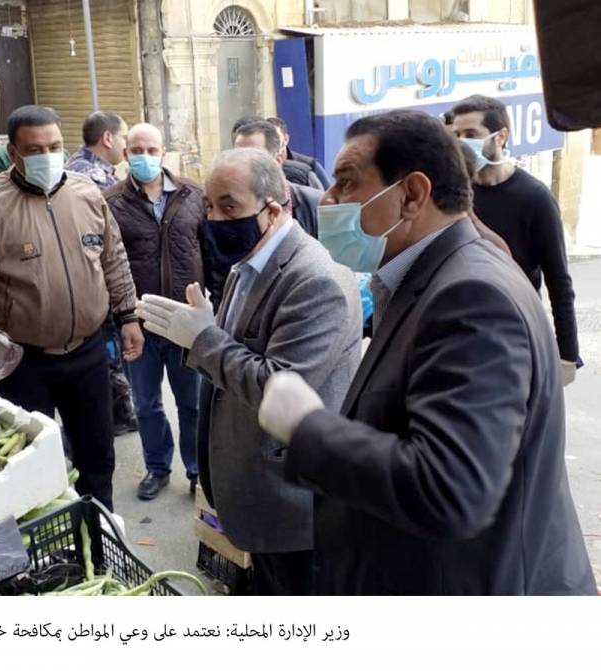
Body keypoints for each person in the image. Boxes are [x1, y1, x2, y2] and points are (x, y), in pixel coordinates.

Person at [258, 109, 596, 595]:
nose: (328, 199)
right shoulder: (431, 276)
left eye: (348, 182)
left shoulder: (471, 297)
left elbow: (450, 488)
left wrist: (309, 427)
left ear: (413, 195)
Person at [136, 148, 361, 595]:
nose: (216, 220)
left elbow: (279, 387)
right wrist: (207, 328)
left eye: (230, 207)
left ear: (273, 209)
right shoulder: (248, 262)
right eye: (211, 207)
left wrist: (201, 339)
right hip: (249, 485)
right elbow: (235, 347)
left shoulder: (316, 280)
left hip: (293, 502)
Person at [0, 105, 143, 511]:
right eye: (35, 149)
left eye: (54, 146)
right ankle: (47, 552)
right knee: (28, 466)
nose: (47, 157)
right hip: (21, 362)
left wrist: (128, 316)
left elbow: (113, 259)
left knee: (97, 458)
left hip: (87, 355)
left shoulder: (86, 194)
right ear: (13, 153)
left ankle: (101, 537)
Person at [449, 94, 581, 385]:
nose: (461, 143)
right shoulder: (454, 194)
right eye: (456, 135)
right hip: (458, 332)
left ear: (501, 136)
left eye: (471, 134)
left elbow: (559, 281)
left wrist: (567, 355)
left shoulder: (535, 198)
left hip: (512, 334)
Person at [104, 122, 205, 500]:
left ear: (164, 152)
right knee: (146, 404)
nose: (144, 157)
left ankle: (197, 470)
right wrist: (121, 317)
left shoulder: (193, 194)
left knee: (192, 403)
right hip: (139, 324)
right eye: (136, 150)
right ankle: (157, 468)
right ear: (125, 153)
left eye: (151, 150)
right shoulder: (110, 202)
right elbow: (107, 266)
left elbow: (208, 253)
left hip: (185, 321)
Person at [66, 111, 137, 437]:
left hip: (84, 285)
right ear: (108, 138)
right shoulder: (92, 180)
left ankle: (116, 414)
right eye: (124, 138)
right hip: (95, 286)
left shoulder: (75, 168)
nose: (126, 147)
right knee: (106, 355)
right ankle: (105, 420)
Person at [233, 119, 322, 238]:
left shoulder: (314, 204)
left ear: (278, 160)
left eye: (254, 159)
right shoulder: (228, 207)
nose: (243, 166)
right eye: (237, 158)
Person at [231, 115, 323, 190]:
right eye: (239, 156)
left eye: (256, 157)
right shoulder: (226, 186)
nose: (247, 164)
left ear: (277, 161)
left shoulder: (305, 176)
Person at [267, 116, 332, 188]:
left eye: (275, 138)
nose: (271, 142)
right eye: (267, 138)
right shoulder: (260, 168)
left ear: (286, 139)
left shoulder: (310, 166)